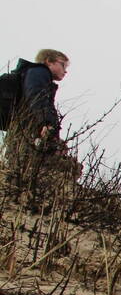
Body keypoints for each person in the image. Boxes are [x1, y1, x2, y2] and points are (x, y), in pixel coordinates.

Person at [3, 49, 79, 194]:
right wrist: (46, 123)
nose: (65, 71)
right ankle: (23, 195)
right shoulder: (39, 72)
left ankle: (18, 192)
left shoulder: (33, 73)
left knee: (18, 162)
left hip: (22, 126)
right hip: (28, 128)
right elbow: (37, 96)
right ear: (49, 61)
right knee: (24, 161)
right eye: (63, 65)